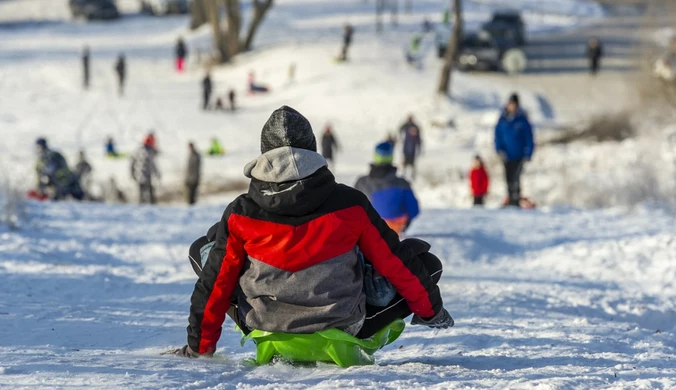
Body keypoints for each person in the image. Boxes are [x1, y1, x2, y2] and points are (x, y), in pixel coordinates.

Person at [174, 106, 452, 358]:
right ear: (313, 150)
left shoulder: (241, 212)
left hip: (267, 326)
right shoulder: (350, 203)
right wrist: (432, 312)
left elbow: (215, 284)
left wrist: (200, 348)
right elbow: (395, 262)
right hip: (342, 325)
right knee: (423, 265)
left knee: (208, 253)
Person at [354, 142, 419, 235]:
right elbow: (414, 210)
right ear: (391, 157)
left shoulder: (362, 182)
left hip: (370, 227)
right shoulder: (402, 183)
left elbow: (352, 208)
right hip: (396, 227)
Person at [494, 93, 534, 207]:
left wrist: (529, 152)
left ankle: (516, 199)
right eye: (510, 104)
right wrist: (499, 149)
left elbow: (529, 137)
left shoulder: (522, 120)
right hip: (506, 155)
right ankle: (510, 198)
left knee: (516, 178)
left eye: (514, 104)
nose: (512, 106)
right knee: (508, 178)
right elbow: (498, 136)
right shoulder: (502, 120)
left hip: (519, 155)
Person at [399, 115, 422, 180]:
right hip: (406, 147)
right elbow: (400, 129)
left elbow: (418, 138)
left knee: (412, 163)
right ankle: (403, 175)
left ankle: (413, 176)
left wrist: (419, 146)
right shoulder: (406, 126)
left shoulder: (415, 126)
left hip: (413, 148)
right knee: (405, 163)